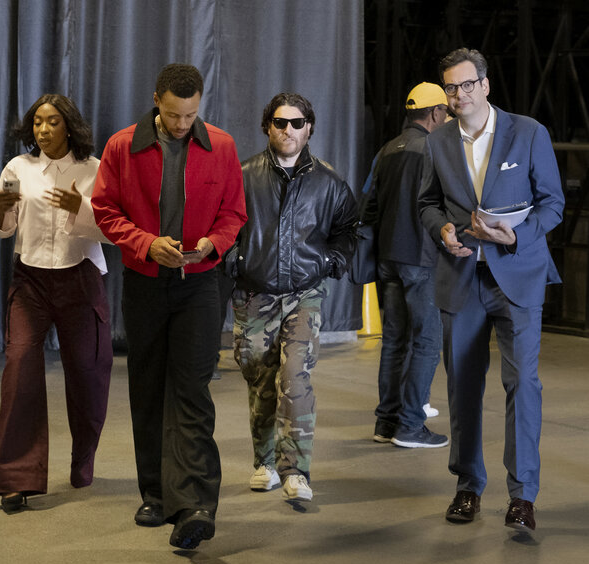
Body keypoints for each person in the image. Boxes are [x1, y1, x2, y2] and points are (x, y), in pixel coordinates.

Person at [92, 63, 246, 550]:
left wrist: (212, 244)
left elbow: (234, 213)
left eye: (192, 115)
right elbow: (104, 208)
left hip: (200, 284)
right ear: (157, 100)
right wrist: (143, 242)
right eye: (176, 115)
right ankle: (155, 494)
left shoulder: (220, 145)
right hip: (144, 282)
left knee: (193, 390)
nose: (183, 125)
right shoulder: (122, 145)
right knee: (149, 385)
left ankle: (196, 503)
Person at [418, 48, 564, 532]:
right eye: (450, 89)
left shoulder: (529, 132)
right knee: (463, 386)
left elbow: (553, 204)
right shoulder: (436, 141)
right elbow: (427, 204)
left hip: (517, 276)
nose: (458, 96)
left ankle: (523, 496)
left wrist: (518, 235)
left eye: (465, 86)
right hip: (460, 278)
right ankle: (467, 487)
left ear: (484, 85)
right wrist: (441, 230)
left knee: (523, 384)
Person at [0, 94, 112, 514]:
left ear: (69, 126)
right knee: (20, 366)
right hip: (31, 280)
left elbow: (114, 230)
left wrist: (83, 208)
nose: (42, 129)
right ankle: (16, 479)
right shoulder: (19, 167)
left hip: (80, 277)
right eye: (37, 122)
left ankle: (84, 456)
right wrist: (1, 210)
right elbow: (0, 225)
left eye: (52, 122)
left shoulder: (94, 169)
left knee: (89, 373)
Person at [231, 93, 357, 504]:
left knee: (295, 377)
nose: (289, 130)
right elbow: (223, 223)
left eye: (297, 123)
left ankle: (296, 471)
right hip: (254, 294)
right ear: (267, 126)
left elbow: (348, 230)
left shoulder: (329, 182)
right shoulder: (243, 175)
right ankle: (264, 462)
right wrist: (236, 261)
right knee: (261, 378)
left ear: (310, 128)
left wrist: (330, 261)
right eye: (281, 123)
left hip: (305, 293)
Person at [362, 83, 451, 448]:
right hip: (423, 259)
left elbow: (368, 208)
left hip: (388, 260)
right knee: (428, 340)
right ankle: (412, 425)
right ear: (435, 114)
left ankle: (386, 422)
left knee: (395, 341)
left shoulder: (387, 151)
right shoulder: (433, 149)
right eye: (446, 113)